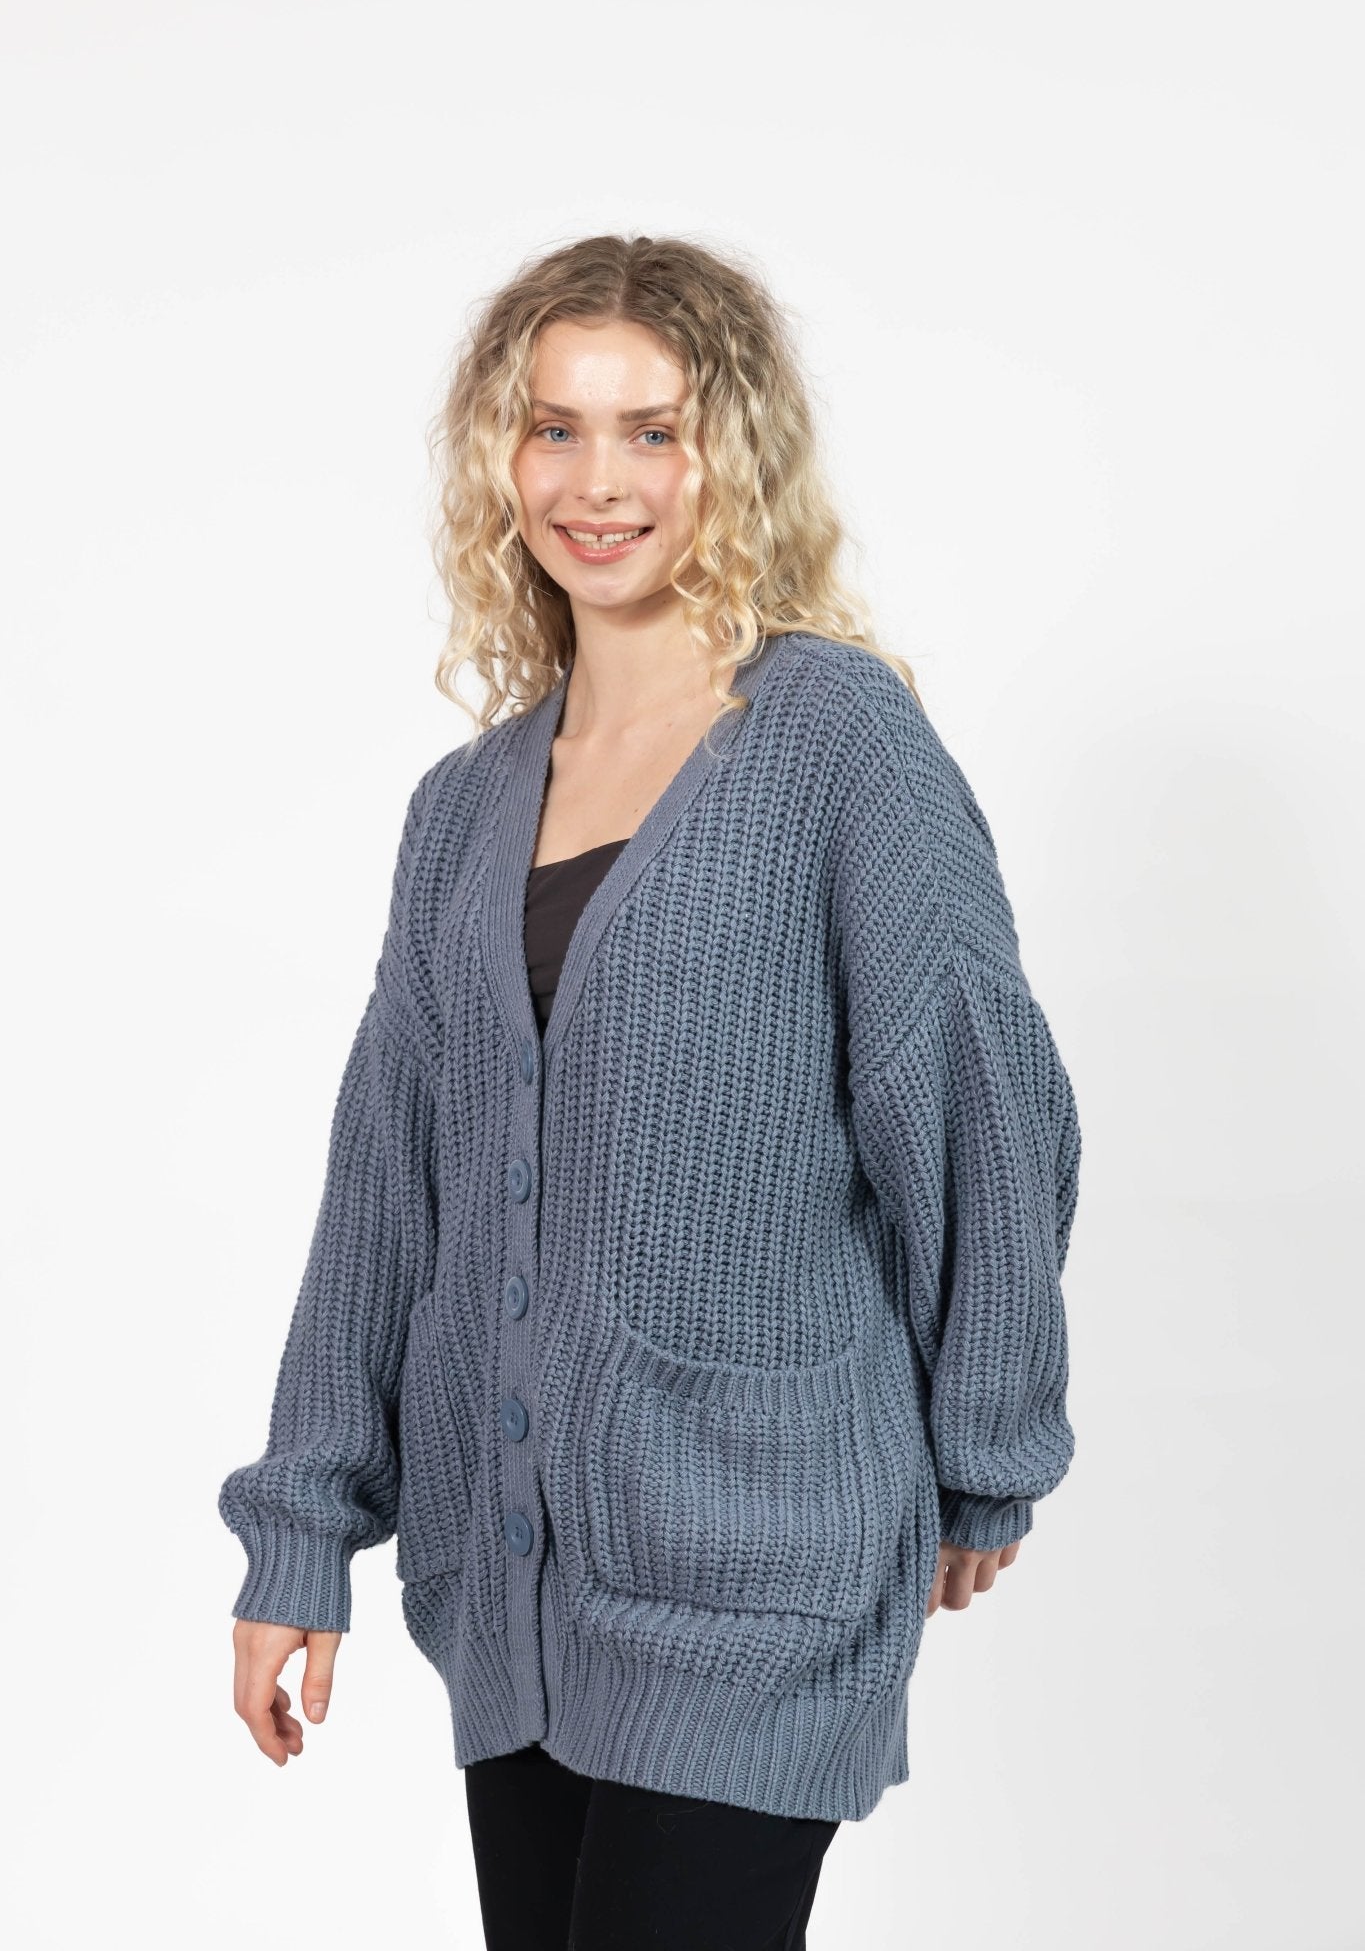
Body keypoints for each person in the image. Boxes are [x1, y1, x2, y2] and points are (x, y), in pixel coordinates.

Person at [219, 233, 1083, 1950]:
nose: (594, 483)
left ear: (732, 455)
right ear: (500, 458)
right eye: (553, 429)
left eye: (652, 431)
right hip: (514, 1585)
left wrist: (987, 1445)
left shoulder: (837, 743)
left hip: (760, 1563)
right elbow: (387, 1184)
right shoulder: (463, 807)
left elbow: (980, 1105)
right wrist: (300, 1530)